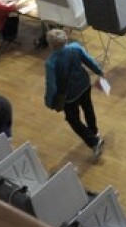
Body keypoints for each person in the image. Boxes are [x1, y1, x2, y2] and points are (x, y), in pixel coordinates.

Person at [43, 29, 106, 159]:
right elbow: (88, 60)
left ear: (50, 44)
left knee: (72, 119)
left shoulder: (51, 63)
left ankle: (93, 142)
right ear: (66, 38)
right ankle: (94, 132)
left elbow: (51, 85)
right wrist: (99, 71)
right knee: (88, 108)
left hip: (69, 95)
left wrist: (49, 102)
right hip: (84, 84)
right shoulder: (75, 47)